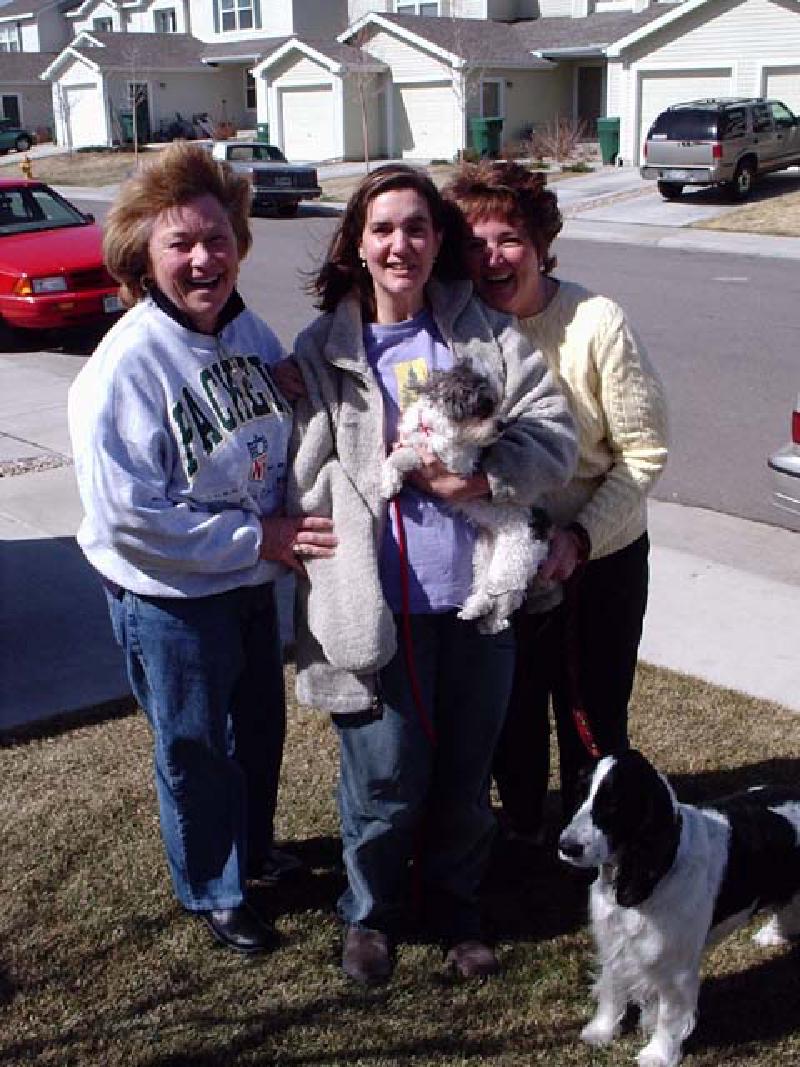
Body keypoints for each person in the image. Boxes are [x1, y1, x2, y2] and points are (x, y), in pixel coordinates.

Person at [285, 164, 577, 984]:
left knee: (461, 772)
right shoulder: (323, 349)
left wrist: (483, 481)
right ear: (357, 243)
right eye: (382, 229)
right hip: (379, 608)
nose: (399, 244)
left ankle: (457, 908)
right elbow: (301, 468)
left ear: (437, 240)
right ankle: (371, 914)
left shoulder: (480, 334)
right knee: (383, 773)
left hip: (475, 604)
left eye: (416, 227)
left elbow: (554, 435)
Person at [67, 141, 336, 955]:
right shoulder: (125, 367)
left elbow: (257, 420)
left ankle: (253, 852)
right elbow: (128, 518)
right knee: (194, 748)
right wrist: (266, 535)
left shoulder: (245, 326)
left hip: (249, 583)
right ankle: (213, 888)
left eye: (217, 237)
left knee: (257, 732)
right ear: (144, 258)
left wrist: (284, 384)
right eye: (179, 243)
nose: (203, 258)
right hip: (170, 598)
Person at [444, 160, 669, 838]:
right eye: (475, 242)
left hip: (601, 558)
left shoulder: (596, 322)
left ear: (541, 244)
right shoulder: (459, 330)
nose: (493, 256)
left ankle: (602, 834)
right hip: (504, 558)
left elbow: (644, 452)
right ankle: (521, 831)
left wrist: (581, 539)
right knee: (508, 708)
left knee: (593, 712)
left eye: (509, 237)